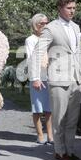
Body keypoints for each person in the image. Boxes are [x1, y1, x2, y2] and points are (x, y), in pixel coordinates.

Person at [30, 0, 81, 160]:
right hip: (59, 77)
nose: (72, 11)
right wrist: (36, 77)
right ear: (60, 8)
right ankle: (59, 151)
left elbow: (77, 52)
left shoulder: (75, 27)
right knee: (59, 117)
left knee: (73, 118)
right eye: (69, 8)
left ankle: (70, 149)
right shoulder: (50, 28)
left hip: (75, 77)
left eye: (74, 8)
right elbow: (38, 52)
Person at [25, 14, 53, 145]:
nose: (44, 25)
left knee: (49, 108)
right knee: (37, 108)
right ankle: (40, 134)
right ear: (35, 24)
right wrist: (35, 78)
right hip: (38, 76)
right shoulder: (30, 40)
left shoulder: (49, 38)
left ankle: (50, 135)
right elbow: (31, 58)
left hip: (49, 75)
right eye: (42, 23)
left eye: (46, 23)